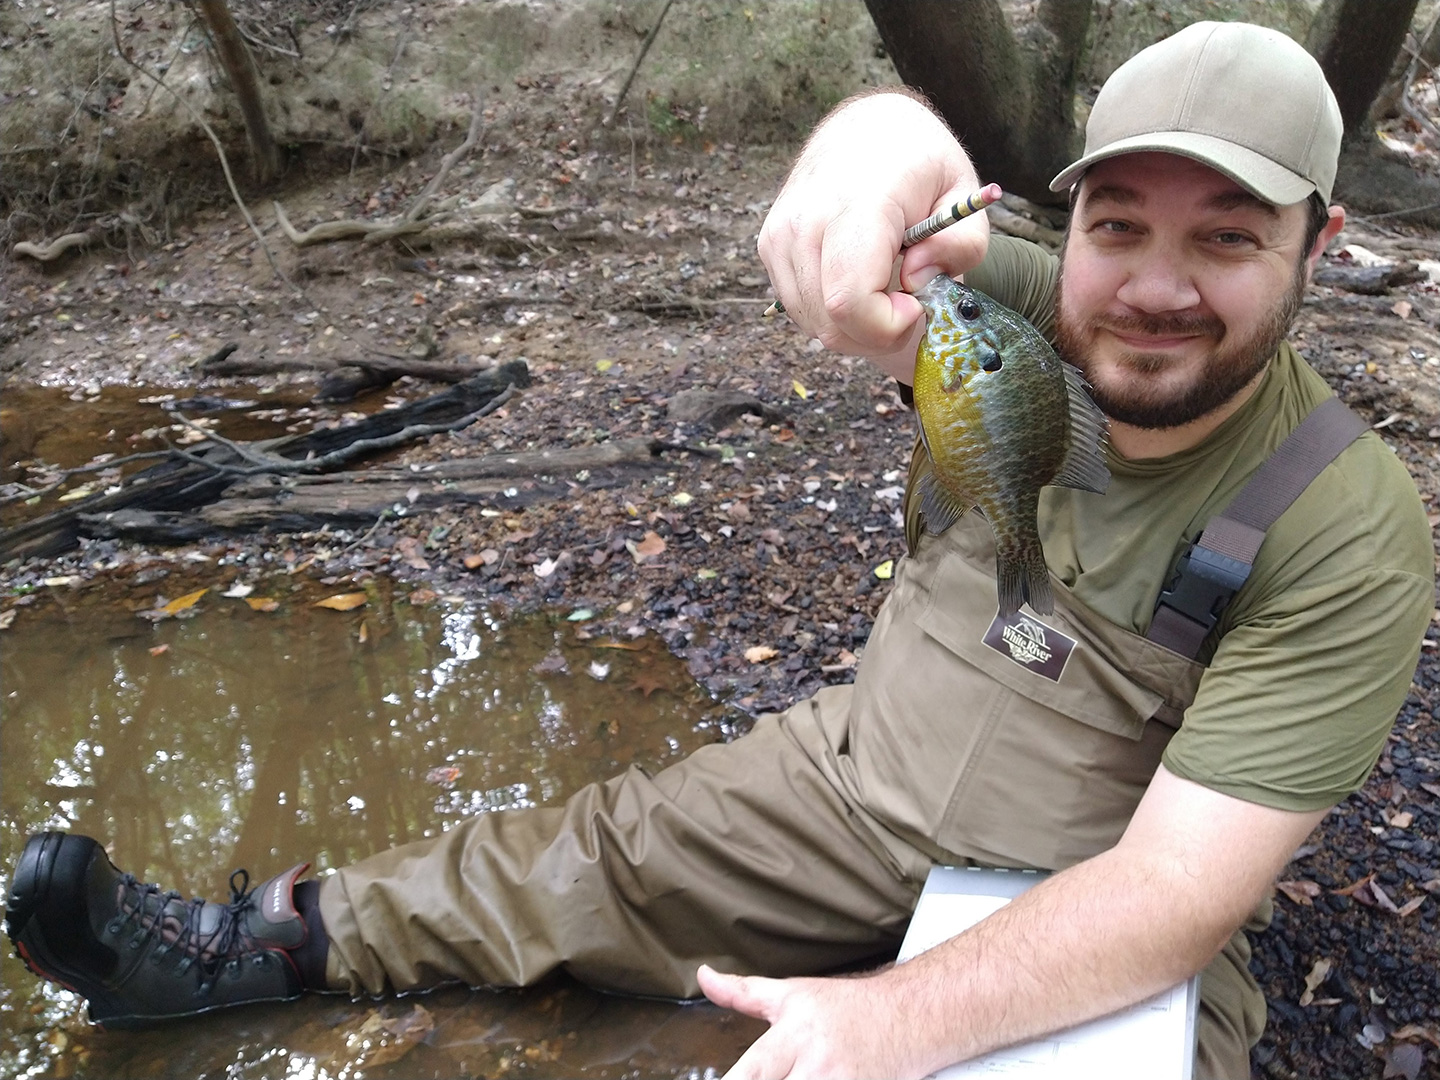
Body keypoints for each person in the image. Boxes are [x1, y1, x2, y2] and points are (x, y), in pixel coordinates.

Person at [6, 20, 1434, 1080]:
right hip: (856, 783)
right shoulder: (1018, 306)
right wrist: (865, 164)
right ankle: (242, 946)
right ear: (1070, 224)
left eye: (1231, 239)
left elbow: (1171, 901)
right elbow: (881, 165)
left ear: (1323, 244)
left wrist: (883, 1023)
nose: (1157, 288)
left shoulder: (1345, 524)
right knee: (572, 859)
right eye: (1119, 227)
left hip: (1086, 885)